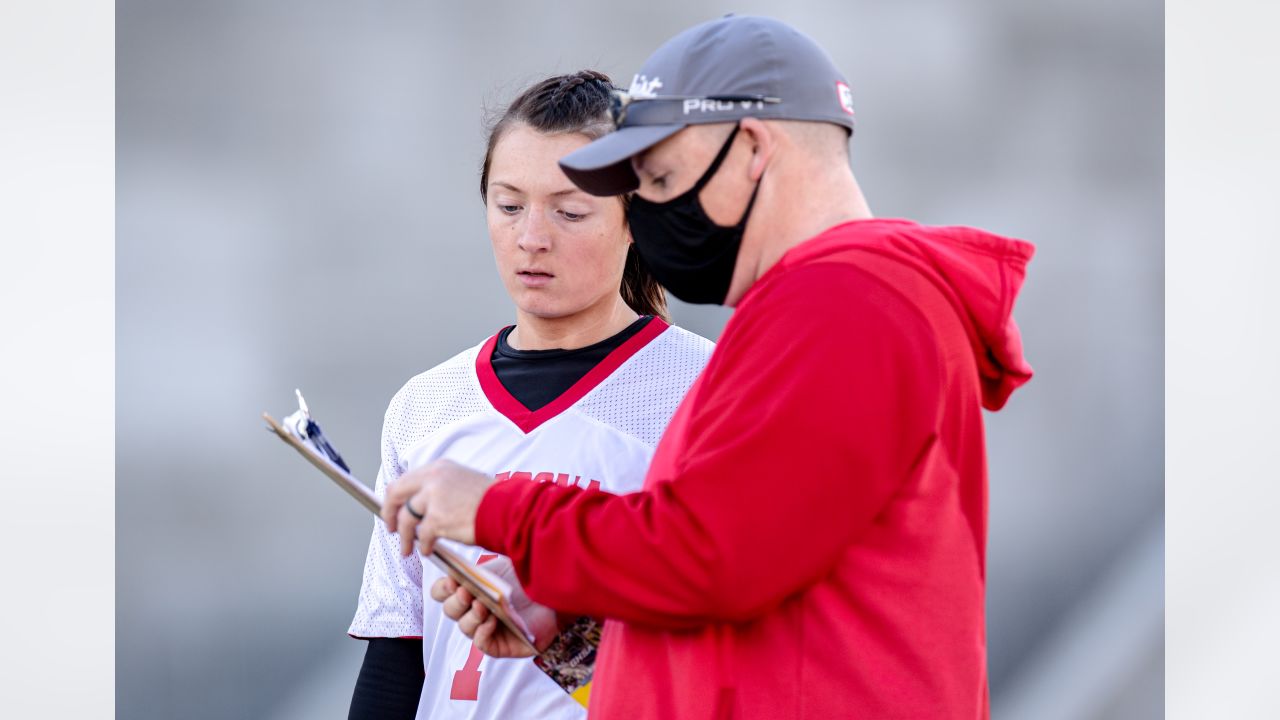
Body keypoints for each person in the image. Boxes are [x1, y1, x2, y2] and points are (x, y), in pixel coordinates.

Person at [384, 15, 1035, 720]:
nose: (654, 210)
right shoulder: (838, 299)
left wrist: (498, 508)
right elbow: (749, 556)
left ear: (752, 146)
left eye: (661, 176)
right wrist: (573, 603)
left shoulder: (845, 301)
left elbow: (712, 555)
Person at [346, 70, 715, 720]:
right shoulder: (424, 404)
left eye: (570, 211)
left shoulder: (706, 390)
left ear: (639, 220)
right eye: (508, 204)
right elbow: (397, 652)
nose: (531, 238)